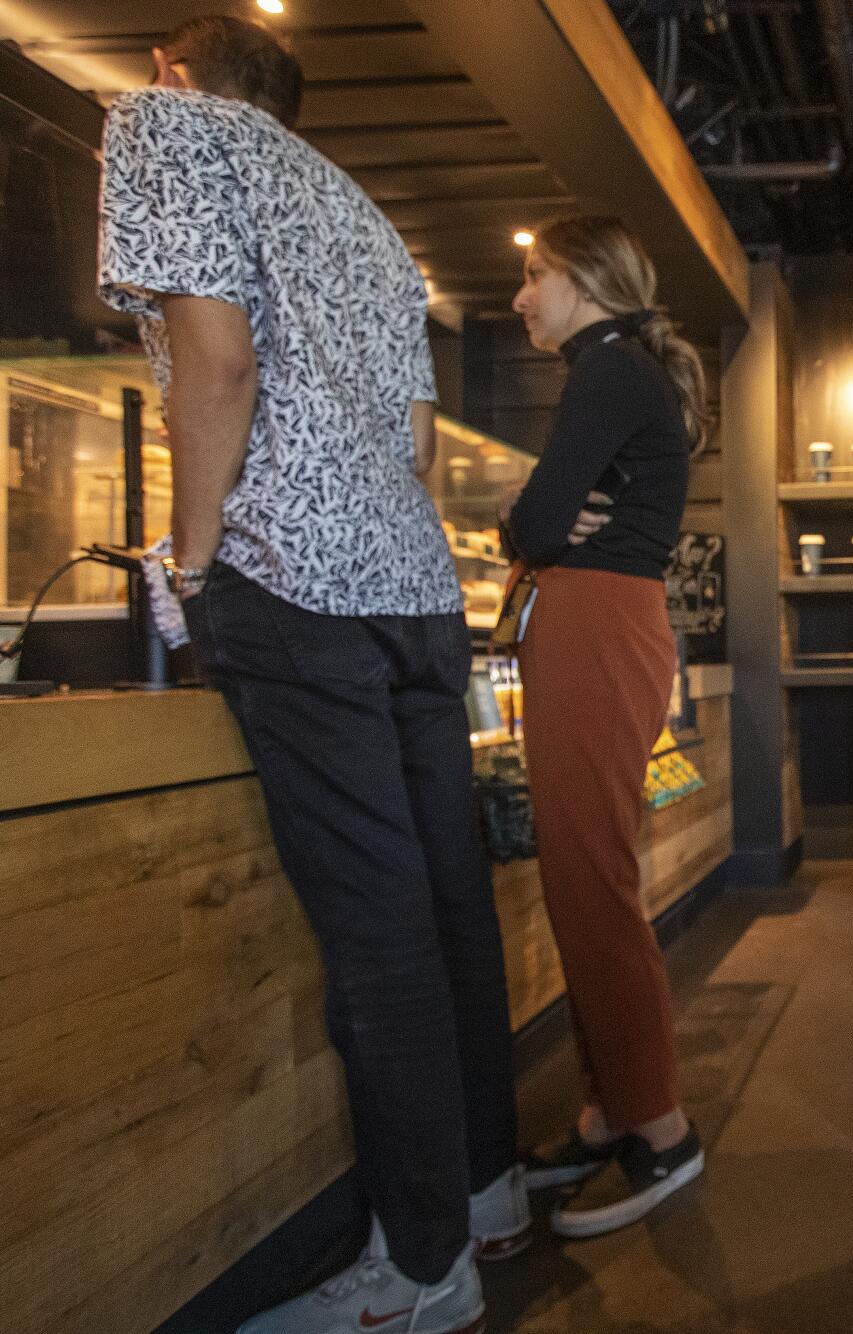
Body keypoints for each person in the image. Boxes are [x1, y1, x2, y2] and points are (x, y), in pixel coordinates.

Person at [97, 18, 525, 1333]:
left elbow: (212, 362)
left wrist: (193, 560)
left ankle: (421, 1265)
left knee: (373, 926)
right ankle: (487, 1188)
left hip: (291, 581)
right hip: (410, 589)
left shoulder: (162, 127)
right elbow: (408, 431)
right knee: (447, 902)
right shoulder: (358, 205)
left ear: (176, 72)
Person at [504, 214, 708, 1237]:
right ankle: (607, 1107)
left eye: (532, 275)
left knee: (591, 877)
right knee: (578, 875)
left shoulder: (610, 370)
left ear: (584, 278)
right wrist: (541, 517)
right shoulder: (618, 370)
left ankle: (659, 1127)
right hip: (590, 620)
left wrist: (531, 518)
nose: (519, 297)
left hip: (594, 619)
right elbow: (546, 518)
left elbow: (534, 523)